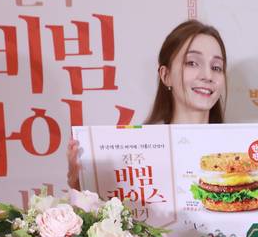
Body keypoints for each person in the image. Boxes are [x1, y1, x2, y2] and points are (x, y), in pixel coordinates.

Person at [67, 19, 227, 189]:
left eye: (217, 67)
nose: (208, 75)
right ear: (166, 75)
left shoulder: (237, 148)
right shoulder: (135, 150)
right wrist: (78, 184)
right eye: (192, 63)